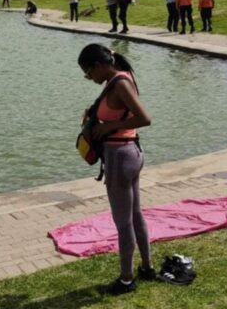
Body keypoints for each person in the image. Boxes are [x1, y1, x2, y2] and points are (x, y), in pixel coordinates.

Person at [78, 43, 154, 295]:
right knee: (134, 214)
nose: (89, 78)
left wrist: (108, 127)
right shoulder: (120, 76)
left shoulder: (119, 82)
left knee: (123, 222)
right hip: (129, 153)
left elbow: (144, 118)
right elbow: (120, 112)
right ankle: (146, 266)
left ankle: (126, 278)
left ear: (100, 66)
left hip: (120, 156)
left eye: (88, 73)